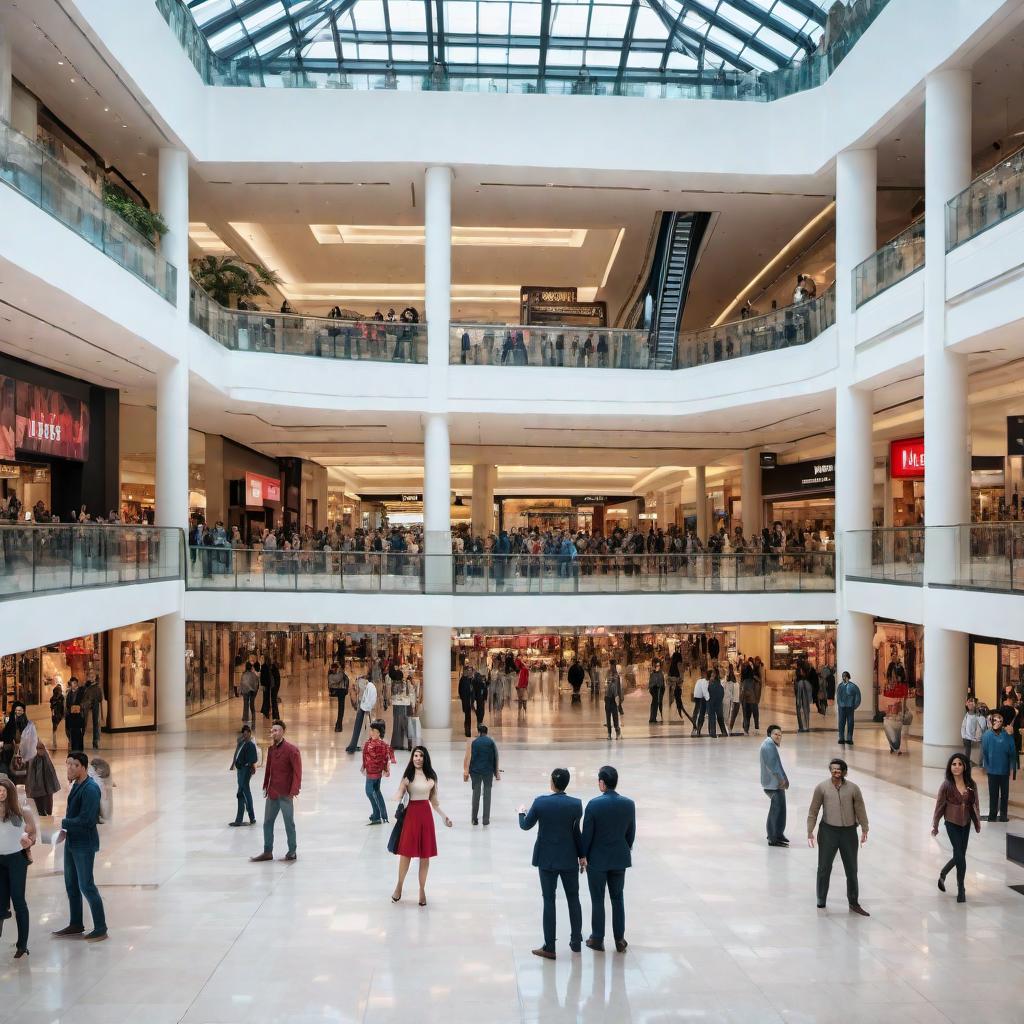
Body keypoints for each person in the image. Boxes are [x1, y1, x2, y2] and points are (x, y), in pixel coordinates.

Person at [518, 767, 584, 959]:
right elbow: (576, 833)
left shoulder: (540, 803)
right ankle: (576, 941)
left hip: (546, 859)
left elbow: (525, 826)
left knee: (549, 900)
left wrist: (521, 813)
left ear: (552, 783)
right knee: (574, 899)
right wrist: (582, 855)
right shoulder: (576, 804)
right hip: (569, 858)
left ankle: (549, 946)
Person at [580, 766, 636, 953]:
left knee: (598, 899)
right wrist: (623, 848)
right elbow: (630, 834)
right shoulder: (629, 804)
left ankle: (597, 938)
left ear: (602, 783)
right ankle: (619, 939)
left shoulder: (594, 805)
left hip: (597, 860)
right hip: (619, 858)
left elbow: (586, 835)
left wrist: (583, 855)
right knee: (617, 898)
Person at [53, 751, 107, 941]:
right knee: (71, 884)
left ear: (83, 767)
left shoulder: (90, 789)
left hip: (84, 844)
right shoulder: (77, 784)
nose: (70, 768)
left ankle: (101, 927)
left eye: (74, 765)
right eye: (68, 764)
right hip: (72, 842)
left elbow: (86, 820)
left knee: (86, 885)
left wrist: (63, 823)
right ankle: (76, 923)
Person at [806, 758, 870, 915]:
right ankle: (821, 899)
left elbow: (860, 809)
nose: (835, 772)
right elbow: (813, 810)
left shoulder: (853, 789)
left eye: (838, 769)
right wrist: (810, 831)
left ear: (844, 771)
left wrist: (865, 828)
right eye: (833, 769)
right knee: (824, 867)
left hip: (848, 833)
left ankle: (853, 902)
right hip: (828, 832)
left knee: (851, 869)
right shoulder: (821, 788)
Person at [391, 746, 452, 906]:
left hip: (426, 816)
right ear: (412, 758)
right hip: (412, 815)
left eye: (421, 756)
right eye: (415, 755)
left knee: (425, 857)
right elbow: (400, 791)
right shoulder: (408, 777)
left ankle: (422, 889)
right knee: (406, 854)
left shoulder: (431, 777)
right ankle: (399, 885)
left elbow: (434, 801)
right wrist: (396, 797)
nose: (418, 758)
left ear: (425, 759)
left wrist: (444, 817)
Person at [932, 753, 982, 903]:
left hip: (965, 823)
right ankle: (961, 888)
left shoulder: (971, 784)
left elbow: (975, 805)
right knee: (959, 854)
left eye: (960, 764)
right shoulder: (946, 785)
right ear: (950, 767)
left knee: (960, 855)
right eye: (954, 764)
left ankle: (943, 873)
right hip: (951, 823)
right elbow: (939, 806)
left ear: (965, 766)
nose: (957, 767)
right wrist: (935, 824)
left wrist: (977, 822)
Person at [251, 720, 301, 862]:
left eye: (276, 730)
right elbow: (268, 770)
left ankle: (292, 851)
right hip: (272, 792)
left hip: (286, 794)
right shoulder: (271, 750)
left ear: (283, 731)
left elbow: (298, 772)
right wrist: (265, 785)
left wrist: (294, 790)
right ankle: (268, 851)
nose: (273, 733)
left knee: (289, 823)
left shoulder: (292, 750)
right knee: (267, 822)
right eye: (272, 730)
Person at [0, 775, 36, 958]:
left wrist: (28, 841)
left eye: (3, 790)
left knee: (18, 901)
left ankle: (22, 945)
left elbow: (33, 834)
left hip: (16, 859)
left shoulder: (22, 812)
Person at [981, 711, 1015, 822]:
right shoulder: (986, 735)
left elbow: (1012, 751)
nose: (998, 722)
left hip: (1004, 770)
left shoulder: (1007, 735)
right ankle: (992, 815)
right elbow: (984, 752)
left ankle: (1003, 815)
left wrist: (1012, 768)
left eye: (1000, 720)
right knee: (993, 794)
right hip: (992, 770)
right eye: (995, 720)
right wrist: (985, 766)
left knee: (1005, 795)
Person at [361, 720, 396, 825]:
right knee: (376, 791)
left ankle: (376, 815)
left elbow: (376, 758)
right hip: (376, 773)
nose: (371, 732)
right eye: (371, 730)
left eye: (373, 730)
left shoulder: (374, 744)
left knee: (369, 792)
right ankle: (383, 815)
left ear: (379, 733)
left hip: (372, 773)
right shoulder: (381, 744)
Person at [464, 724, 499, 826]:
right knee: (487, 795)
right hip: (488, 771)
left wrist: (468, 771)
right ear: (486, 732)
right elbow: (495, 757)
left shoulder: (474, 742)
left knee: (476, 794)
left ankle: (474, 818)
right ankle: (485, 819)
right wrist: (496, 772)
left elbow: (471, 757)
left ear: (478, 732)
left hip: (476, 771)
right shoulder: (491, 742)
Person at [760, 725, 789, 847]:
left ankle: (778, 833)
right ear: (769, 734)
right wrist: (782, 780)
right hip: (773, 784)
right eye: (775, 734)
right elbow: (773, 766)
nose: (778, 736)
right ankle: (772, 837)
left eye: (779, 734)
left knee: (781, 809)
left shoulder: (770, 744)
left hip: (775, 783)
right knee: (776, 811)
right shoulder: (768, 746)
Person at [229, 725, 258, 827]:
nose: (245, 735)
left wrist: (247, 766)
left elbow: (253, 759)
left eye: (247, 734)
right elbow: (237, 754)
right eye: (244, 734)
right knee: (242, 793)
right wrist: (234, 764)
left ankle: (247, 817)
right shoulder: (242, 743)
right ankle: (246, 818)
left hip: (245, 772)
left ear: (249, 733)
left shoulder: (250, 744)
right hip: (241, 771)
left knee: (242, 793)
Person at [25, 740, 60, 817]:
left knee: (40, 803)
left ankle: (43, 813)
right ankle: (45, 813)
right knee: (45, 802)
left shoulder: (34, 753)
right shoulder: (42, 753)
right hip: (45, 785)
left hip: (39, 785)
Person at [345, 672, 377, 754]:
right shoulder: (367, 684)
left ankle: (356, 744)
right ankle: (357, 744)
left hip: (362, 706)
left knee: (360, 726)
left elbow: (355, 695)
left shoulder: (360, 683)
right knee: (363, 725)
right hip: (364, 706)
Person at [836, 671, 862, 746]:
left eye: (845, 676)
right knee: (841, 722)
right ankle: (841, 738)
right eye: (843, 676)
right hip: (842, 707)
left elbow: (858, 696)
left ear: (848, 677)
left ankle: (849, 738)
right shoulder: (840, 686)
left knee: (850, 723)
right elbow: (838, 696)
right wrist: (839, 704)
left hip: (850, 707)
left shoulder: (853, 686)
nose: (843, 677)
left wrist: (855, 706)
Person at [961, 696, 986, 764]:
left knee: (981, 751)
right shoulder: (966, 715)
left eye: (972, 703)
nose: (970, 704)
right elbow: (964, 726)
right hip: (967, 737)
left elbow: (982, 727)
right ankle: (967, 762)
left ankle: (980, 764)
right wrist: (964, 735)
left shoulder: (980, 717)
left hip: (977, 738)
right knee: (967, 750)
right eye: (969, 702)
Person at [81, 673, 103, 749]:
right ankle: (81, 741)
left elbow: (100, 698)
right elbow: (83, 698)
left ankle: (95, 741)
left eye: (93, 677)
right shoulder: (86, 687)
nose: (91, 678)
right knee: (84, 724)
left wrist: (94, 700)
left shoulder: (98, 688)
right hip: (87, 708)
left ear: (95, 678)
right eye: (90, 677)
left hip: (95, 707)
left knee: (95, 725)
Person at [327, 662, 349, 733]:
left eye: (334, 669)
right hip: (338, 690)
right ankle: (338, 724)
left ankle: (339, 724)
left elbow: (338, 679)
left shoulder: (338, 673)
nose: (333, 670)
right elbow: (337, 679)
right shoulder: (334, 674)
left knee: (341, 708)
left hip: (341, 691)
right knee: (341, 707)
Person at [604, 662, 623, 740]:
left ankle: (616, 732)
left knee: (614, 716)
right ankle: (610, 733)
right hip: (609, 697)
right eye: (610, 665)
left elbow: (618, 687)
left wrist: (620, 698)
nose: (611, 667)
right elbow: (606, 685)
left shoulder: (616, 676)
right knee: (609, 717)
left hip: (613, 698)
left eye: (612, 666)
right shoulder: (608, 674)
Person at [707, 670, 726, 738]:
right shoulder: (707, 682)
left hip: (717, 701)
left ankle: (723, 732)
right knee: (712, 717)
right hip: (712, 701)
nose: (713, 676)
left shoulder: (717, 682)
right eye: (712, 674)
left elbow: (721, 691)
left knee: (720, 717)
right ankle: (713, 733)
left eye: (714, 674)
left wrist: (720, 698)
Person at [239, 662, 260, 726]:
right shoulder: (254, 674)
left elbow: (242, 683)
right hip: (252, 691)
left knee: (246, 704)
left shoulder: (244, 674)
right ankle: (253, 717)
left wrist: (241, 690)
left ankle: (245, 717)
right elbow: (256, 683)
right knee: (252, 704)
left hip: (246, 691)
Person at [458, 664, 475, 738]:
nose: (469, 672)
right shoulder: (463, 679)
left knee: (468, 715)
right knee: (467, 715)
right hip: (466, 700)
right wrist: (463, 699)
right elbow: (460, 691)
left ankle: (468, 729)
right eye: (468, 670)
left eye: (470, 670)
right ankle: (467, 730)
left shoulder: (472, 679)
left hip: (471, 700)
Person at [691, 671, 709, 736]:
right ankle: (697, 728)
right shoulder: (705, 681)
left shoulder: (699, 680)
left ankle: (694, 727)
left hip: (697, 696)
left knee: (696, 711)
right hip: (700, 697)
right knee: (701, 713)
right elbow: (705, 692)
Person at [647, 659, 665, 724]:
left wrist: (662, 689)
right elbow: (651, 683)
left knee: (657, 704)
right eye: (657, 665)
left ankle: (654, 718)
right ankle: (652, 718)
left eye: (659, 665)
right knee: (655, 704)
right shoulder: (653, 673)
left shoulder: (660, 673)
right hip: (655, 690)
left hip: (659, 690)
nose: (658, 667)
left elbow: (662, 683)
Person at [49, 683, 65, 748]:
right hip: (58, 714)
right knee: (56, 728)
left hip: (55, 714)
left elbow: (51, 707)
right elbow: (63, 706)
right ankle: (54, 742)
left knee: (55, 728)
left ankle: (54, 742)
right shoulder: (61, 697)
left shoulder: (53, 698)